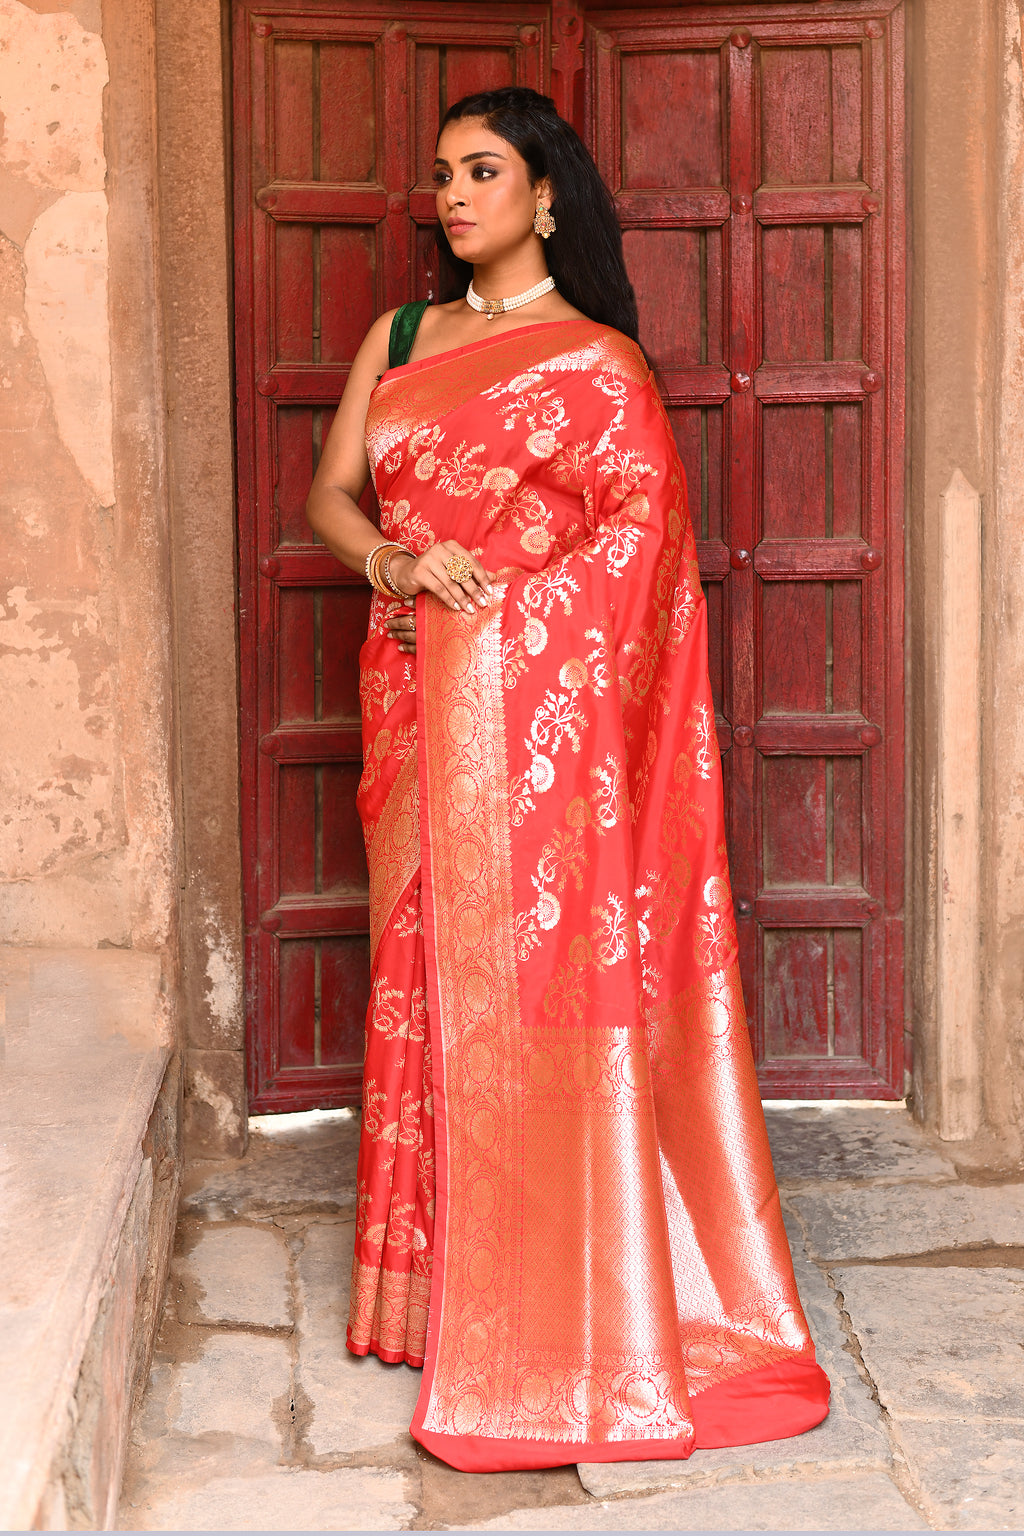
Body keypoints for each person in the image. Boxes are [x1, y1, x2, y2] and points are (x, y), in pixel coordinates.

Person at [305, 85, 829, 1474]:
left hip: (534, 730)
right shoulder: (404, 338)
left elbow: (645, 557)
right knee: (420, 958)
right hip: (414, 692)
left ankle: (536, 1268)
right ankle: (424, 1293)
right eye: (441, 174)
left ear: (549, 198)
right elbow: (332, 496)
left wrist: (511, 620)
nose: (453, 195)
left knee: (526, 975)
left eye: (484, 172)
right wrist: (402, 566)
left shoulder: (598, 364)